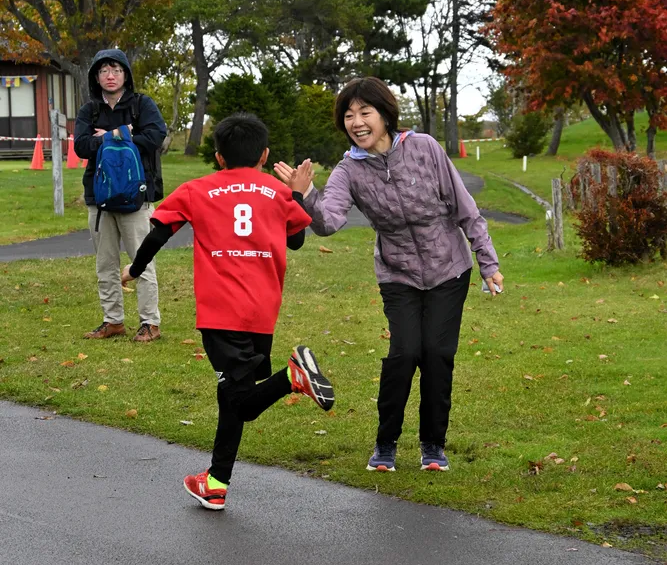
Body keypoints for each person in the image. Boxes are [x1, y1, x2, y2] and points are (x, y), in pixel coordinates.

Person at [275, 76, 503, 474]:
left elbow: (465, 209)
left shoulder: (424, 148)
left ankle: (433, 445)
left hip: (449, 268)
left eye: (365, 112)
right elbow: (328, 223)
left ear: (385, 114)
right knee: (404, 353)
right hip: (397, 274)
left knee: (437, 354)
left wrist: (488, 262)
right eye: (349, 116)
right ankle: (385, 444)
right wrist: (305, 194)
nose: (357, 122)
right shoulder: (349, 170)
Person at [121, 112, 334, 510]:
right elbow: (298, 241)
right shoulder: (276, 191)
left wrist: (133, 270)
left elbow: (158, 234)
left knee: (241, 400)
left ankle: (293, 376)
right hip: (262, 311)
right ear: (264, 154)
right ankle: (216, 483)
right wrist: (298, 194)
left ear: (218, 157)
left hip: (222, 314)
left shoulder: (197, 189)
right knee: (233, 393)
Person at [74, 48, 167, 343]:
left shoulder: (142, 105)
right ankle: (112, 321)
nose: (110, 76)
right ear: (96, 77)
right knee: (105, 263)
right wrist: (122, 133)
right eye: (103, 71)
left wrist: (108, 135)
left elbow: (155, 136)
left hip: (137, 197)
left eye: (115, 69)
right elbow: (81, 146)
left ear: (126, 74)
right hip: (99, 197)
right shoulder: (89, 110)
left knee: (143, 260)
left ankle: (149, 322)